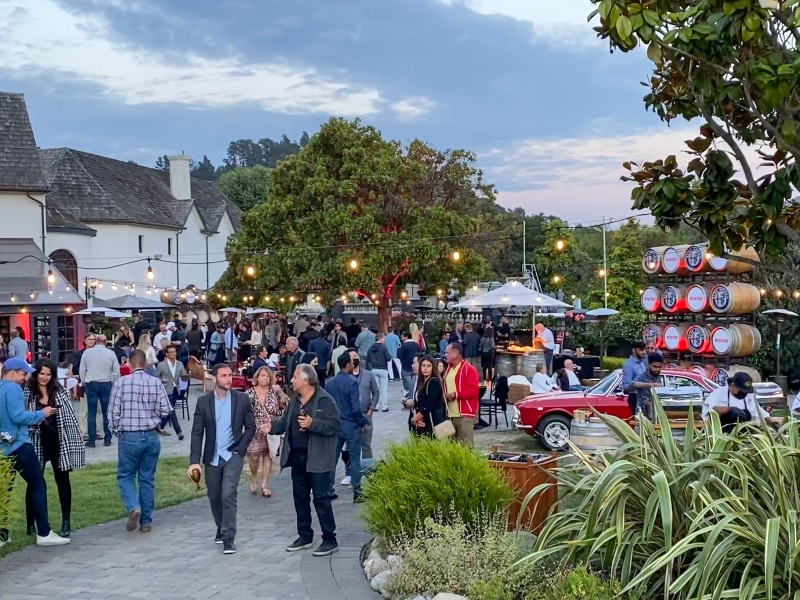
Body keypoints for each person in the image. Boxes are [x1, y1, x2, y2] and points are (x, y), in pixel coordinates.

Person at [265, 364, 341, 557]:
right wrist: (271, 427)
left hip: (317, 458)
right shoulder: (295, 400)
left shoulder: (325, 400)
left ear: (306, 380)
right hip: (297, 458)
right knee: (300, 498)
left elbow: (334, 426)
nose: (292, 380)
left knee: (321, 499)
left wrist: (312, 424)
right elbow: (285, 423)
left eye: (295, 377)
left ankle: (329, 539)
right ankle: (305, 536)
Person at [0, 357, 69, 547]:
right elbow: (18, 416)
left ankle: (2, 534)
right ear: (12, 372)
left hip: (3, 446)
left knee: (4, 491)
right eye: (23, 374)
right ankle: (44, 533)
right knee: (38, 484)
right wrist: (42, 414)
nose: (24, 378)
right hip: (20, 445)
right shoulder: (13, 388)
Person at [188, 364, 255, 555]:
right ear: (214, 378)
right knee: (214, 496)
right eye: (224, 375)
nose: (228, 379)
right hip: (212, 456)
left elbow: (250, 427)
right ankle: (220, 526)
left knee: (228, 494)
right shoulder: (203, 402)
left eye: (230, 375)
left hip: (232, 454)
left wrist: (240, 449)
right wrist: (194, 460)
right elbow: (197, 433)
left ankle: (228, 537)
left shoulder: (241, 400)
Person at [108, 350, 172, 533]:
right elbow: (166, 409)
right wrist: (157, 423)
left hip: (129, 435)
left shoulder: (120, 383)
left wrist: (117, 432)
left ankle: (133, 506)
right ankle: (146, 521)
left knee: (125, 475)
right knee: (147, 478)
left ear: (129, 363)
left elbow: (112, 414)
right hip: (151, 435)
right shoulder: (155, 382)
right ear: (145, 364)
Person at [23, 358, 84, 538]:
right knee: (34, 482)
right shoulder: (28, 392)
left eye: (48, 374)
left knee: (62, 480)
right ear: (36, 373)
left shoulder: (59, 392)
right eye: (41, 374)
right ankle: (30, 522)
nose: (44, 377)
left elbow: (70, 418)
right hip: (36, 440)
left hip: (57, 441)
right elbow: (23, 416)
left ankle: (66, 521)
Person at [326, 353, 367, 501]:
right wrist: (362, 422)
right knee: (355, 459)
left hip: (335, 425)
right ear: (346, 364)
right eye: (351, 362)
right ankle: (357, 492)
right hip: (351, 425)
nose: (353, 365)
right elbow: (355, 408)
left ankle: (328, 489)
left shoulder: (330, 383)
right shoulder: (352, 383)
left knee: (332, 459)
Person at [339, 348, 379, 487]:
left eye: (356, 356)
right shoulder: (345, 377)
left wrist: (371, 409)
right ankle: (350, 474)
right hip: (350, 418)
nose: (354, 359)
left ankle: (369, 472)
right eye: (351, 357)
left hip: (365, 415)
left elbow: (376, 391)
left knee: (366, 444)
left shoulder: (368, 375)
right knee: (349, 447)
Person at [246, 366, 287, 498]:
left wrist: (280, 392)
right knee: (254, 456)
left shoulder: (274, 393)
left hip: (271, 429)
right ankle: (253, 478)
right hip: (254, 429)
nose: (264, 378)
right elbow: (244, 411)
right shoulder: (249, 393)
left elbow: (284, 407)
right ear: (257, 377)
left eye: (267, 376)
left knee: (268, 456)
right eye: (262, 375)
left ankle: (264, 485)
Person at [79, 333, 120, 448]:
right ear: (106, 342)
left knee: (91, 412)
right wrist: (114, 382)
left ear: (96, 341)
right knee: (106, 411)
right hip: (106, 383)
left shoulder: (87, 353)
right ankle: (107, 438)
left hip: (91, 383)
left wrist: (83, 382)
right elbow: (116, 371)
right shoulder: (111, 353)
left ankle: (91, 440)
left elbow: (82, 369)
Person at [704, 372, 781, 432]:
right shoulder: (718, 393)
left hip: (745, 433)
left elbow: (758, 411)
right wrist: (728, 410)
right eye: (741, 390)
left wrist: (771, 422)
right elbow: (708, 411)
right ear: (733, 385)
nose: (744, 393)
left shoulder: (748, 396)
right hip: (724, 434)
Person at [443, 343, 480, 446]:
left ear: (455, 353)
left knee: (465, 448)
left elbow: (474, 390)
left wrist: (456, 395)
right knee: (450, 448)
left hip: (464, 415)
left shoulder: (469, 369)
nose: (445, 354)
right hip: (449, 415)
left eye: (447, 352)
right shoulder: (448, 369)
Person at [155, 345, 186, 440]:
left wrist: (187, 377)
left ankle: (160, 427)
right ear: (167, 354)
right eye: (171, 352)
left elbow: (183, 376)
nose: (174, 354)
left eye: (175, 352)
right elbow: (156, 378)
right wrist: (162, 381)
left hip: (176, 390)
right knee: (172, 411)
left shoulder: (180, 364)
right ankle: (179, 432)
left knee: (168, 411)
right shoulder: (161, 365)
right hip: (166, 390)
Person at [411, 355, 447, 437]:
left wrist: (415, 418)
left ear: (433, 368)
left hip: (434, 421)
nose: (425, 368)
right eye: (423, 366)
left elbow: (429, 404)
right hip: (424, 421)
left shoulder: (434, 382)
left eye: (428, 366)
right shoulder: (421, 382)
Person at [632, 352, 664, 420]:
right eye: (654, 367)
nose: (657, 369)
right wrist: (650, 385)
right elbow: (634, 384)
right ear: (649, 365)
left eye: (659, 367)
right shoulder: (643, 376)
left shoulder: (660, 377)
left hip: (657, 413)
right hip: (643, 414)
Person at [367, 333, 392, 412]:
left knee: (375, 389)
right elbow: (388, 358)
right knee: (383, 389)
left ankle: (375, 406)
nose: (384, 340)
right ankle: (384, 406)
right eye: (384, 338)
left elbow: (368, 359)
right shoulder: (383, 347)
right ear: (380, 338)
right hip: (383, 369)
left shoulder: (370, 348)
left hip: (374, 369)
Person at [621, 342, 647, 415]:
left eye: (644, 350)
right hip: (635, 398)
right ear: (634, 350)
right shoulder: (629, 365)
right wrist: (638, 385)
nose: (644, 352)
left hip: (644, 398)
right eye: (641, 350)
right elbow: (625, 385)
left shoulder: (642, 363)